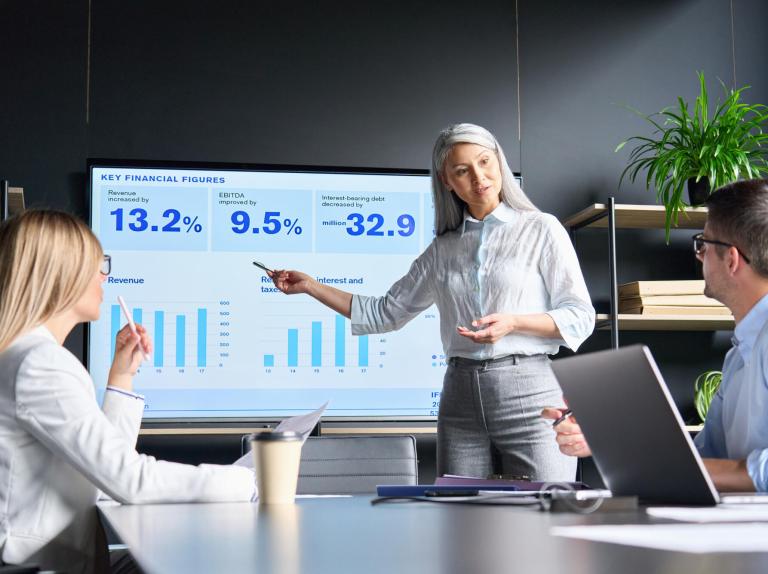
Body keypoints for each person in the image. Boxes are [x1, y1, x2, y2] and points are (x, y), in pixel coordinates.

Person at [268, 123, 595, 481]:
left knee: (543, 516)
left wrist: (514, 323)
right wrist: (312, 286)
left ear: (499, 161)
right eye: (462, 171)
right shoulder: (442, 250)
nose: (479, 177)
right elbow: (384, 313)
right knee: (460, 518)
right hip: (460, 398)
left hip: (530, 393)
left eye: (485, 162)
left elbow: (580, 317)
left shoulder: (542, 229)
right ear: (446, 181)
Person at [543, 179, 768, 494]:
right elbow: (707, 458)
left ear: (732, 259)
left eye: (703, 245)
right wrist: (608, 437)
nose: (699, 256)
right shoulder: (746, 348)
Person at [0, 210, 257, 573]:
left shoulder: (26, 355)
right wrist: (246, 482)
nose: (104, 276)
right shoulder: (40, 363)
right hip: (39, 566)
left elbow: (103, 474)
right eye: (97, 265)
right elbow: (129, 480)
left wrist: (122, 374)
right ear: (61, 275)